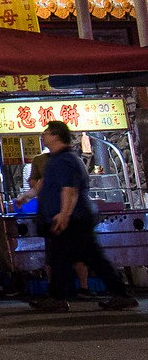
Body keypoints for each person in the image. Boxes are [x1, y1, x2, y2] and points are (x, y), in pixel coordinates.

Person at [30, 121, 137, 311]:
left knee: (86, 257)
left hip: (73, 220)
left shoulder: (66, 160)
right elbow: (46, 185)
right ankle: (57, 297)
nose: (43, 135)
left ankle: (120, 294)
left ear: (55, 136)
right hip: (68, 218)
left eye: (46, 132)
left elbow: (70, 189)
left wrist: (64, 215)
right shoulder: (55, 159)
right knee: (62, 258)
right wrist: (26, 196)